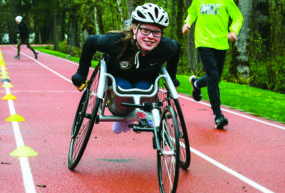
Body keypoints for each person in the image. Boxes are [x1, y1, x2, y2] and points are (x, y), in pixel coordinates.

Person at [72, 3, 181, 134]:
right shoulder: (116, 41)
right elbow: (90, 42)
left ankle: (134, 117)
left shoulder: (167, 46)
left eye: (157, 32)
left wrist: (172, 78)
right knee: (124, 89)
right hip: (118, 79)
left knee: (144, 91)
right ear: (135, 28)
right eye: (145, 30)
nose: (151, 36)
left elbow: (176, 48)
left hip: (145, 80)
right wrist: (81, 74)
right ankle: (124, 118)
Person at [182, 1, 243, 129]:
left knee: (215, 78)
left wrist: (233, 31)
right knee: (213, 76)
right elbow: (192, 13)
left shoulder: (226, 1)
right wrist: (187, 23)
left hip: (221, 44)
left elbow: (238, 17)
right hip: (203, 42)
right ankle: (218, 115)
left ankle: (196, 83)